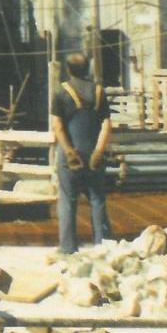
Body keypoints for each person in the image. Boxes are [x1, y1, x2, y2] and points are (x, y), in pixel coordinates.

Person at [51, 52, 113, 254]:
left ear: (68, 70)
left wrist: (69, 152)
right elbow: (106, 125)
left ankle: (68, 248)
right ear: (88, 69)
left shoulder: (61, 92)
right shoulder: (99, 92)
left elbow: (57, 126)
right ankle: (102, 245)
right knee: (97, 200)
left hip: (71, 156)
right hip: (93, 154)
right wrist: (98, 151)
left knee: (68, 200)